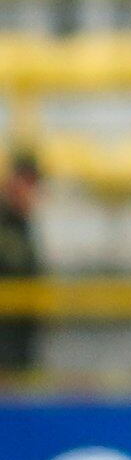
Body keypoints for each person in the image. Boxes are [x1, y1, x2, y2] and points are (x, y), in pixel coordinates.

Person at [0, 145, 41, 383]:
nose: (31, 191)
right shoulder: (6, 223)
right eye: (27, 182)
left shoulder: (23, 224)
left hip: (22, 343)